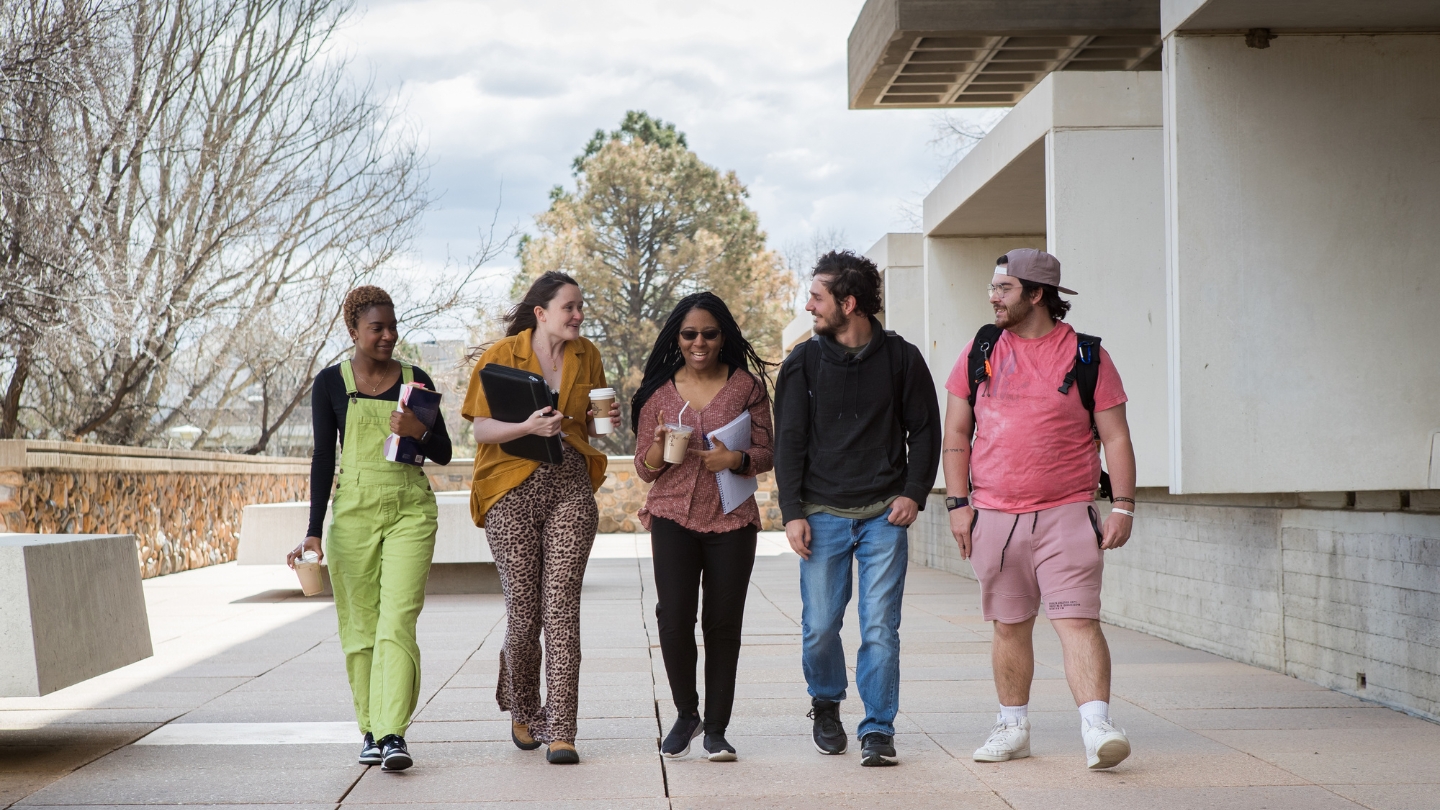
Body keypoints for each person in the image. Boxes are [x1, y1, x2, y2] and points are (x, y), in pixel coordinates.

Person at [941, 248, 1136, 771]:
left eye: (1003, 289)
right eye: (992, 287)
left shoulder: (1088, 355)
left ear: (1036, 294)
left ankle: (1097, 728)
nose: (992, 297)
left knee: (1078, 622)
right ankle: (1013, 727)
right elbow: (957, 433)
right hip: (994, 514)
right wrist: (958, 504)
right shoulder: (979, 350)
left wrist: (1124, 506)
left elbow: (1115, 437)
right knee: (1009, 624)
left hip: (1068, 512)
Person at [773, 250, 941, 767]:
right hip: (821, 513)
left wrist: (914, 491)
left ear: (849, 303)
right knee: (821, 625)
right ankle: (826, 702)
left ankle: (878, 729)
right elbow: (789, 441)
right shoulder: (802, 362)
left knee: (877, 628)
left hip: (884, 515)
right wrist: (792, 510)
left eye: (817, 297)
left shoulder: (902, 358)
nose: (808, 306)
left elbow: (927, 429)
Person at [289, 285, 453, 772]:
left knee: (398, 620)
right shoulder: (330, 383)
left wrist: (416, 431)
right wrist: (314, 530)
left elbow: (442, 451)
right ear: (353, 330)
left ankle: (393, 732)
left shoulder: (415, 380)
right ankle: (369, 729)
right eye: (376, 328)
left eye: (392, 326)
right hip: (353, 509)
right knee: (359, 629)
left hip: (410, 508)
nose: (387, 336)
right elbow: (324, 458)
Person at [461, 271, 620, 765]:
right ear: (541, 312)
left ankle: (562, 728)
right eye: (569, 307)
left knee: (562, 608)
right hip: (510, 486)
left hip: (569, 480)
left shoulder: (586, 354)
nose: (578, 315)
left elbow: (593, 430)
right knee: (524, 613)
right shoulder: (500, 357)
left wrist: (604, 418)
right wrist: (527, 425)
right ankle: (523, 705)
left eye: (580, 306)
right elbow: (481, 428)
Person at [631, 292, 776, 763]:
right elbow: (645, 469)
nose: (699, 342)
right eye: (690, 334)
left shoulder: (746, 388)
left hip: (732, 518)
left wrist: (733, 459)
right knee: (673, 619)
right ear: (678, 337)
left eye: (709, 334)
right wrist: (656, 447)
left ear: (722, 336)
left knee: (722, 623)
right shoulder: (658, 393)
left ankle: (716, 729)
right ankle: (686, 713)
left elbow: (767, 452)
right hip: (672, 514)